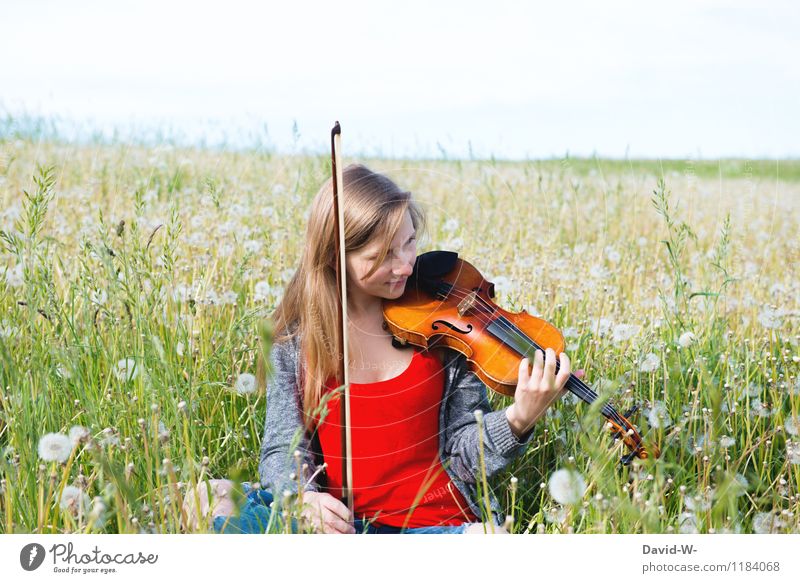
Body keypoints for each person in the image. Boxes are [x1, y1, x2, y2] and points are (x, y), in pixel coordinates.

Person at [183, 163, 584, 534]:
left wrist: (518, 419)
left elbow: (464, 458)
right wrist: (303, 500)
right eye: (381, 257)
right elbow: (283, 447)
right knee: (200, 500)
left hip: (439, 526)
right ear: (335, 258)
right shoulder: (297, 340)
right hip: (340, 528)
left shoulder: (442, 327)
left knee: (484, 541)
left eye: (409, 243)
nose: (406, 265)